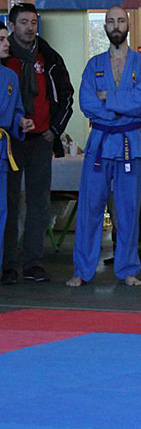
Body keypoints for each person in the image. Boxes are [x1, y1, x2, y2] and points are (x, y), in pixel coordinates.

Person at [66, 6, 141, 288]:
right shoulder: (94, 65)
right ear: (104, 27)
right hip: (100, 144)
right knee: (90, 208)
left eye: (120, 20)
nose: (115, 25)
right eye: (110, 21)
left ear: (128, 25)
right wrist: (119, 105)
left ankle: (128, 268)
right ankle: (82, 270)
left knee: (128, 210)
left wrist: (109, 99)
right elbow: (87, 103)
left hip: (130, 144)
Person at [2, 2, 73, 286]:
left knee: (39, 204)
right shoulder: (4, 58)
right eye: (23, 22)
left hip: (41, 140)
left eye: (33, 22)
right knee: (8, 203)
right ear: (12, 26)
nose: (30, 27)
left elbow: (66, 94)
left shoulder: (48, 56)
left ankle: (33, 262)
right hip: (9, 142)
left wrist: (55, 130)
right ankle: (8, 263)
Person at [0, 23, 34, 275]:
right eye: (1, 39)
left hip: (2, 152)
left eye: (5, 39)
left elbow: (16, 111)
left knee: (2, 211)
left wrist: (21, 122)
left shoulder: (10, 78)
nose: (6, 44)